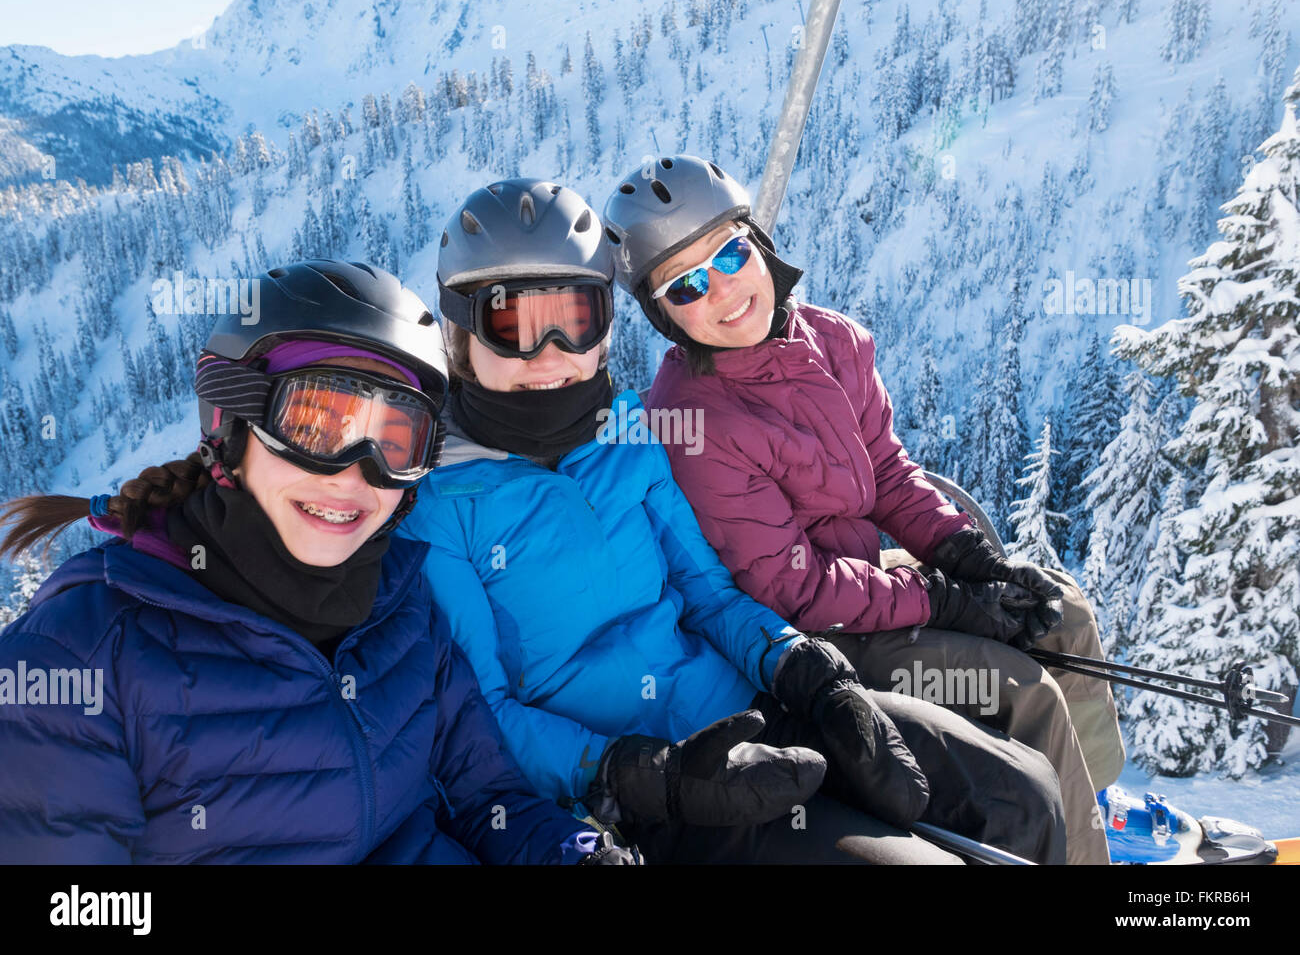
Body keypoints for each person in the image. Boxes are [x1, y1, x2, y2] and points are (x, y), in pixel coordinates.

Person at [403, 177, 1069, 864]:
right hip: (649, 789)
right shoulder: (438, 505)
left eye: (573, 318)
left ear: (601, 329)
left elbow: (710, 593)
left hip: (748, 702)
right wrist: (631, 773)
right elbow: (481, 715)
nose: (547, 353)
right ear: (461, 336)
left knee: (1022, 792)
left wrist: (805, 668)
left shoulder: (625, 433)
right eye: (509, 323)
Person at [0, 259, 631, 865]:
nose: (353, 473)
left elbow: (485, 798)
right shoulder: (79, 659)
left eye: (393, 441)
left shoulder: (400, 605)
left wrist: (572, 856)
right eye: (315, 423)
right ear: (233, 428)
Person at [602, 154, 1127, 864]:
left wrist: (964, 553)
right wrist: (943, 599)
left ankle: (1084, 810)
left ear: (758, 241)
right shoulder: (692, 422)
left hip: (867, 578)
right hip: (818, 637)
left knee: (1056, 610)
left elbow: (887, 473)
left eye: (731, 252)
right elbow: (798, 591)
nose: (725, 290)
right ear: (663, 314)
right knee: (1021, 687)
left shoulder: (832, 340)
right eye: (689, 284)